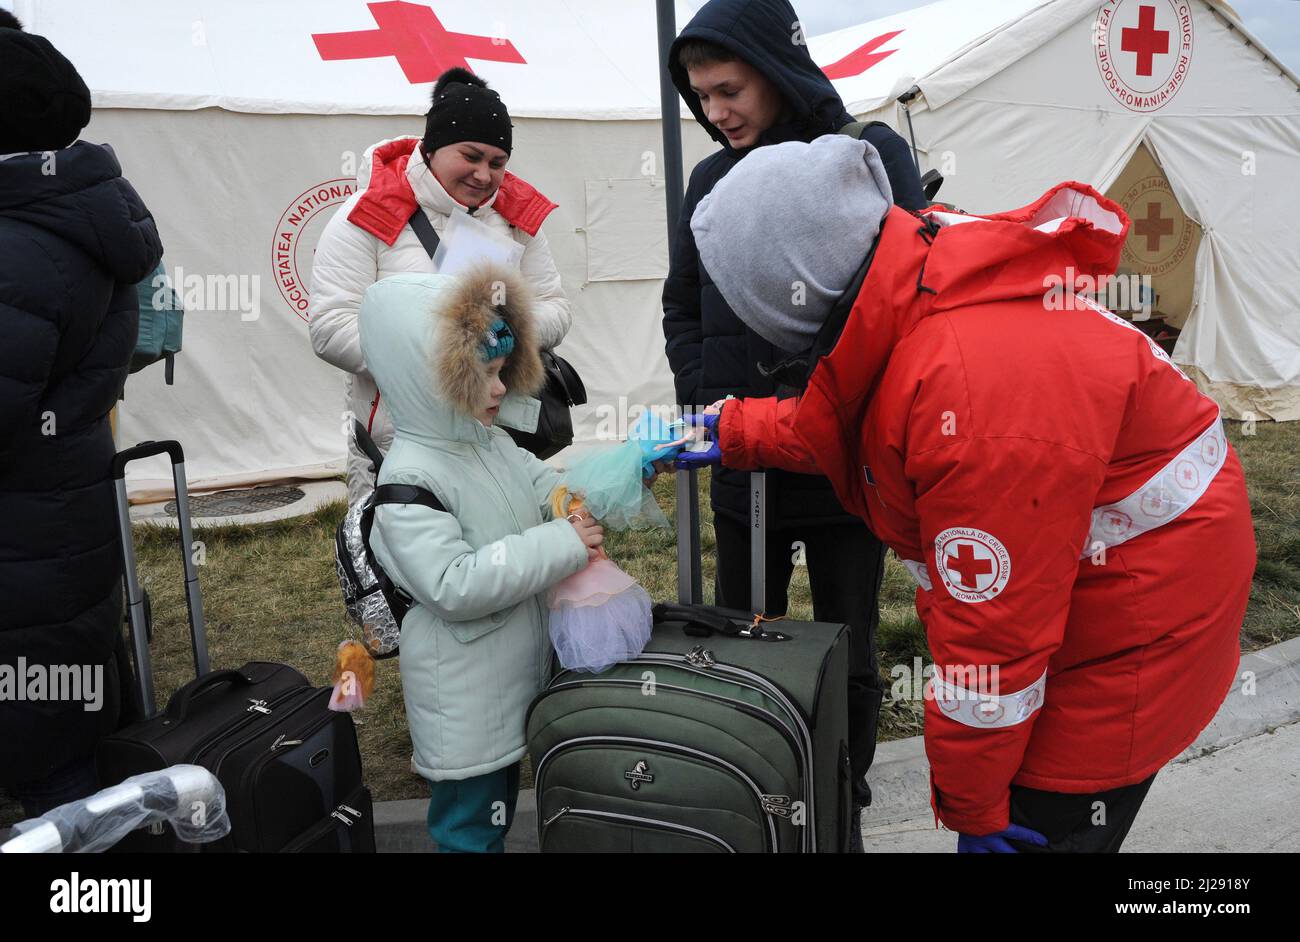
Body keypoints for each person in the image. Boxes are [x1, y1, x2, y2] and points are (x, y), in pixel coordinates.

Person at [677, 134, 1255, 853]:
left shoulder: (978, 395)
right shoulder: (921, 271)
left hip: (1132, 629)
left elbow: (994, 642)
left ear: (796, 291)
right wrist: (733, 428)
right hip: (1111, 582)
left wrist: (975, 808)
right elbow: (866, 417)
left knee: (1053, 814)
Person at [661, 0, 927, 840]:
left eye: (729, 89)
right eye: (701, 97)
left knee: (846, 649)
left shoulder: (868, 154)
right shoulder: (710, 181)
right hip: (746, 470)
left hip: (846, 471)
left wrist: (824, 406)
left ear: (775, 69)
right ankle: (760, 793)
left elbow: (905, 299)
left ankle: (841, 795)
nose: (716, 112)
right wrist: (709, 399)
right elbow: (684, 307)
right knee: (749, 641)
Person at [359, 266, 601, 853]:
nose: (501, 390)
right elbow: (454, 585)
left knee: (497, 807)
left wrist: (583, 497)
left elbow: (542, 485)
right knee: (469, 828)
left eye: (503, 372)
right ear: (427, 380)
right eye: (484, 376)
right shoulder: (410, 480)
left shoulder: (486, 443)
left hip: (507, 674)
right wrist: (565, 543)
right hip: (461, 700)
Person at [0, 26, 164, 815]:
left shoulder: (19, 245)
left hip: (25, 552)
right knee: (74, 742)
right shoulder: (75, 214)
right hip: (58, 529)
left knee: (53, 781)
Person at [310, 67, 573, 507]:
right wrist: (444, 355)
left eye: (497, 162)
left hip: (498, 430)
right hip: (400, 436)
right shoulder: (366, 214)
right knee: (403, 559)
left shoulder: (518, 218)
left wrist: (504, 337)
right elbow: (330, 327)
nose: (484, 175)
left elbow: (555, 307)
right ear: (431, 149)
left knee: (494, 551)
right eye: (470, 157)